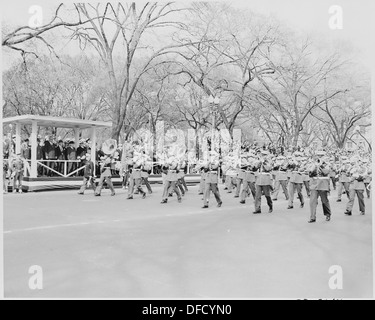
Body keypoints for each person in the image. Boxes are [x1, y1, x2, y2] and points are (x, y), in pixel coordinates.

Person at [308, 151, 331, 223]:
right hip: (314, 184)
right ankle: (312, 217)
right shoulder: (314, 164)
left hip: (323, 184)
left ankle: (327, 214)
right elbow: (310, 174)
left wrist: (320, 165)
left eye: (321, 155)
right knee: (312, 201)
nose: (320, 157)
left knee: (324, 201)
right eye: (318, 155)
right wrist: (313, 168)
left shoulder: (327, 164)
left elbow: (326, 172)